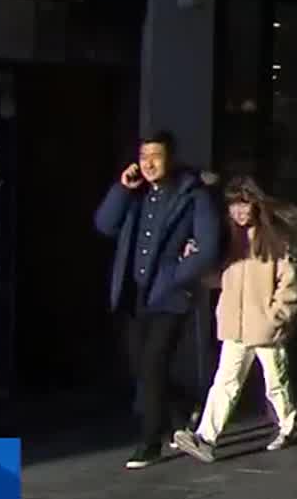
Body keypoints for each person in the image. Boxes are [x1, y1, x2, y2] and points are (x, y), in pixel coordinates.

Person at [94, 131, 223, 470]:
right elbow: (104, 224)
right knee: (143, 367)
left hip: (171, 297)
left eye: (156, 156)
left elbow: (208, 247)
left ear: (171, 158)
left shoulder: (193, 195)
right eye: (144, 156)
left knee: (153, 364)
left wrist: (178, 274)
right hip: (133, 294)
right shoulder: (135, 193)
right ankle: (181, 411)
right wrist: (122, 189)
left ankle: (150, 443)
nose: (148, 163)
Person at [173, 177, 297, 463]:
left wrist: (275, 317)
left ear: (256, 204)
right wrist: (193, 262)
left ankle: (286, 424)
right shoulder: (229, 241)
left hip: (266, 327)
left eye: (244, 204)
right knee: (224, 382)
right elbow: (218, 280)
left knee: (275, 381)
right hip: (234, 325)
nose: (239, 211)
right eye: (234, 205)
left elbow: (290, 284)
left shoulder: (275, 241)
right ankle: (205, 437)